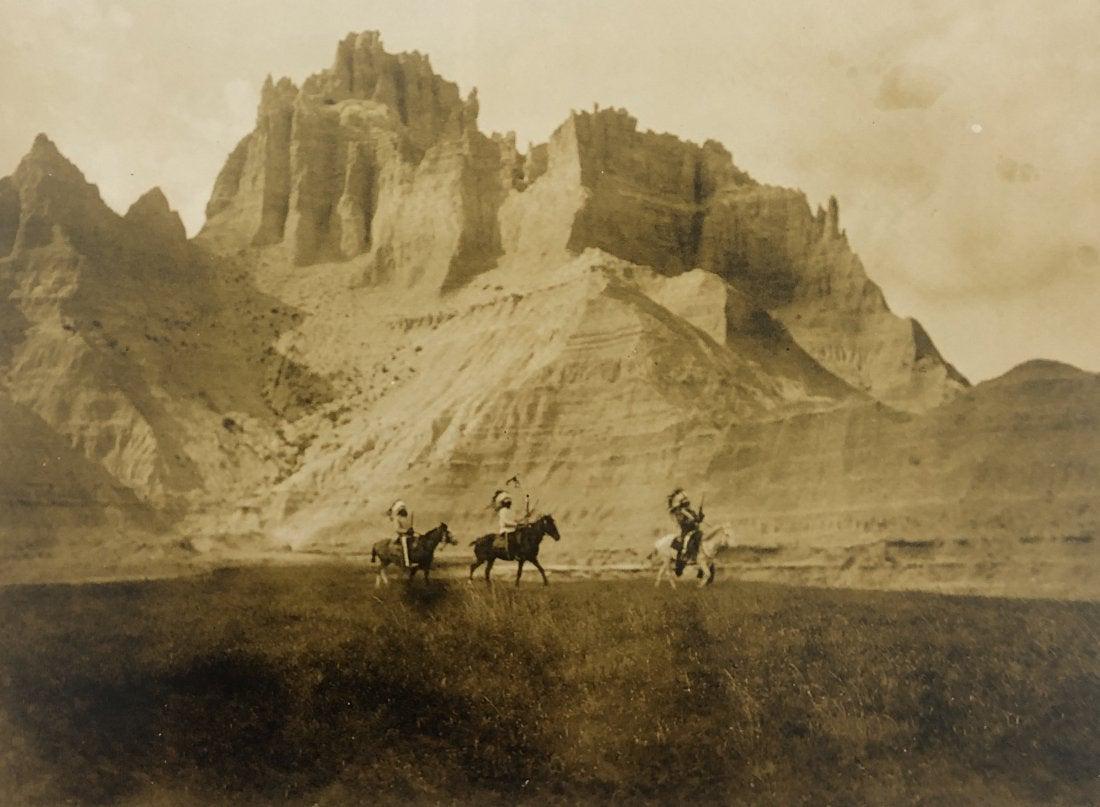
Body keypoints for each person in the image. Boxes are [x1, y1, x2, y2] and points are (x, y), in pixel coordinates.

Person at [667, 488, 704, 573]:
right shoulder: (680, 512)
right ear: (683, 505)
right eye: (686, 504)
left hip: (696, 531)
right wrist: (692, 521)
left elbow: (698, 520)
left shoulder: (691, 511)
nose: (688, 505)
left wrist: (700, 516)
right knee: (687, 541)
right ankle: (686, 556)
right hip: (687, 531)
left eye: (688, 503)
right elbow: (682, 522)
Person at [492, 489, 521, 555]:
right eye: (507, 502)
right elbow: (505, 522)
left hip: (513, 529)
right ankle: (512, 553)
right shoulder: (502, 511)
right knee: (512, 538)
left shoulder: (511, 511)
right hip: (506, 530)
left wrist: (524, 518)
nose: (509, 503)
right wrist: (516, 524)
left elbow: (515, 520)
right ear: (504, 503)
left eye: (509, 502)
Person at [388, 499, 415, 566]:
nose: (403, 509)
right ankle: (407, 563)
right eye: (401, 508)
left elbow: (410, 526)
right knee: (405, 546)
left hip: (410, 535)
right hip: (403, 536)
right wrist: (406, 531)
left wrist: (411, 529)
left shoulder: (408, 517)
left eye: (404, 507)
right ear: (399, 510)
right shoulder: (397, 518)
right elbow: (397, 529)